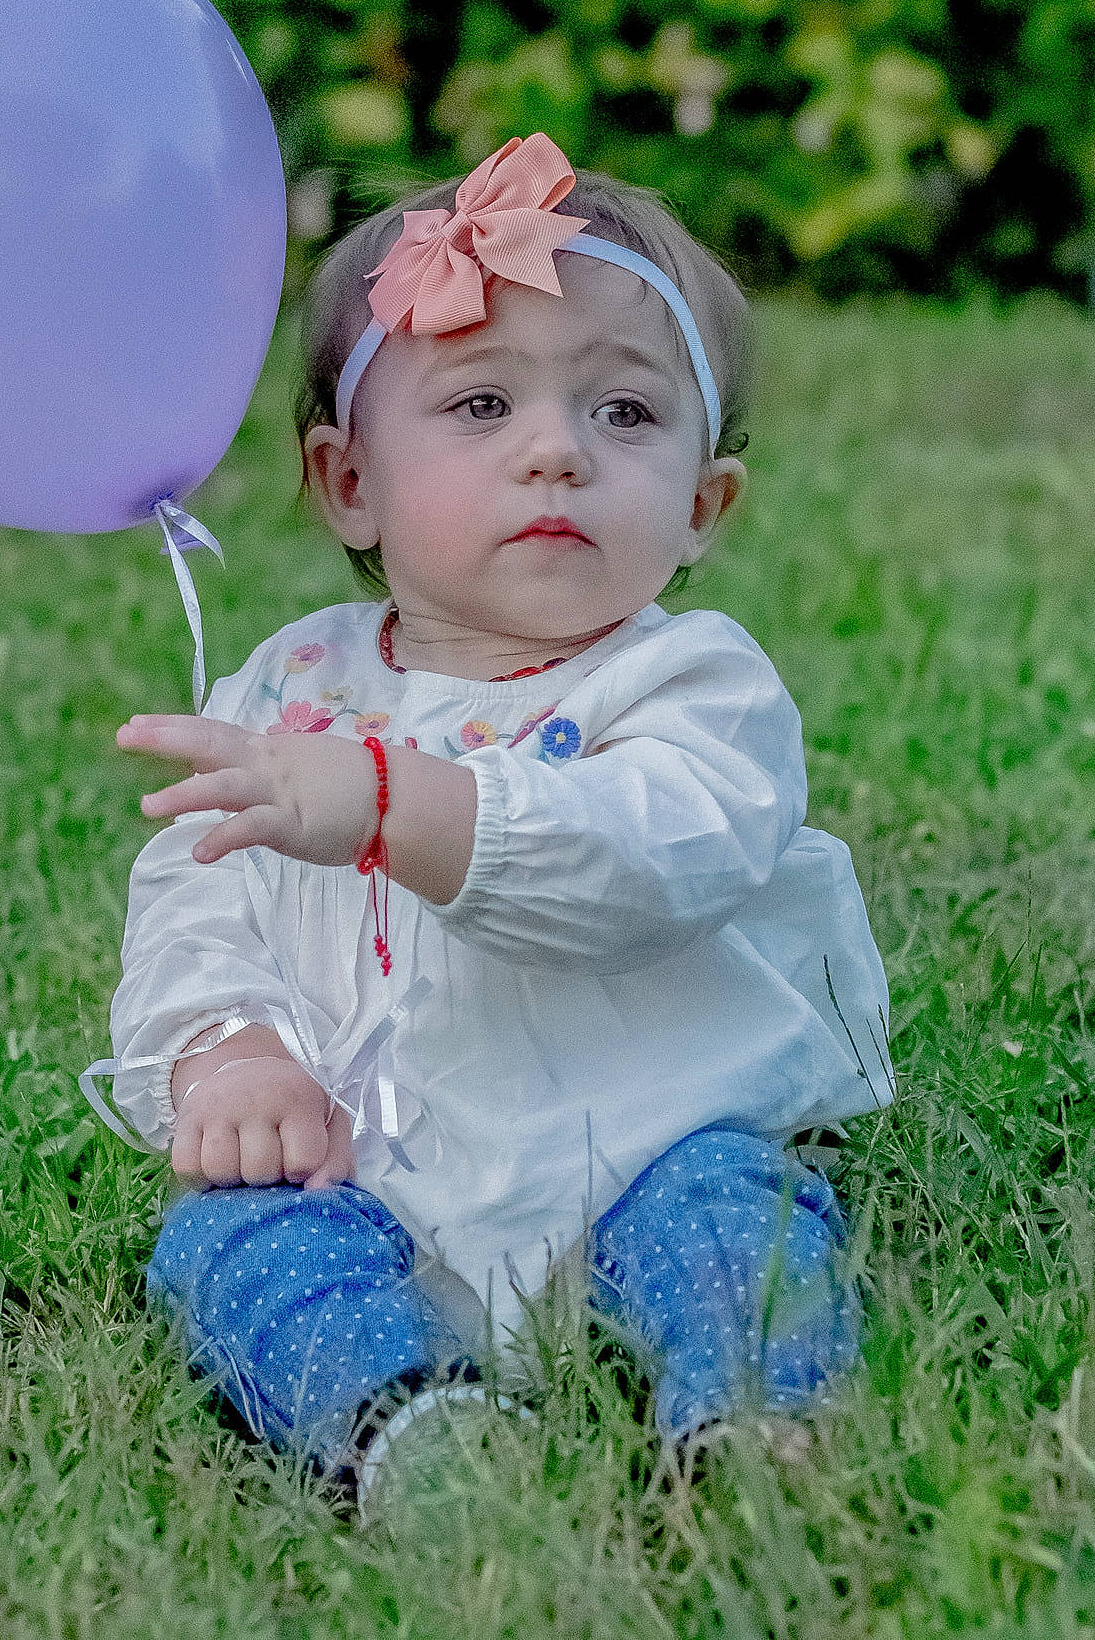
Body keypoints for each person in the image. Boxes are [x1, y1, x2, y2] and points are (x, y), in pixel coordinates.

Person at [89, 133, 894, 1519]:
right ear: (349, 481)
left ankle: (751, 1417)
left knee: (733, 1219)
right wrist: (230, 1048)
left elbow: (649, 857)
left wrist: (401, 805)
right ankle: (405, 1417)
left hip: (653, 1140)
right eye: (479, 404)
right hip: (369, 1175)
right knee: (227, 1249)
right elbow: (197, 895)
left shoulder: (696, 686)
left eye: (626, 413)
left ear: (704, 506)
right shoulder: (290, 688)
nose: (556, 452)